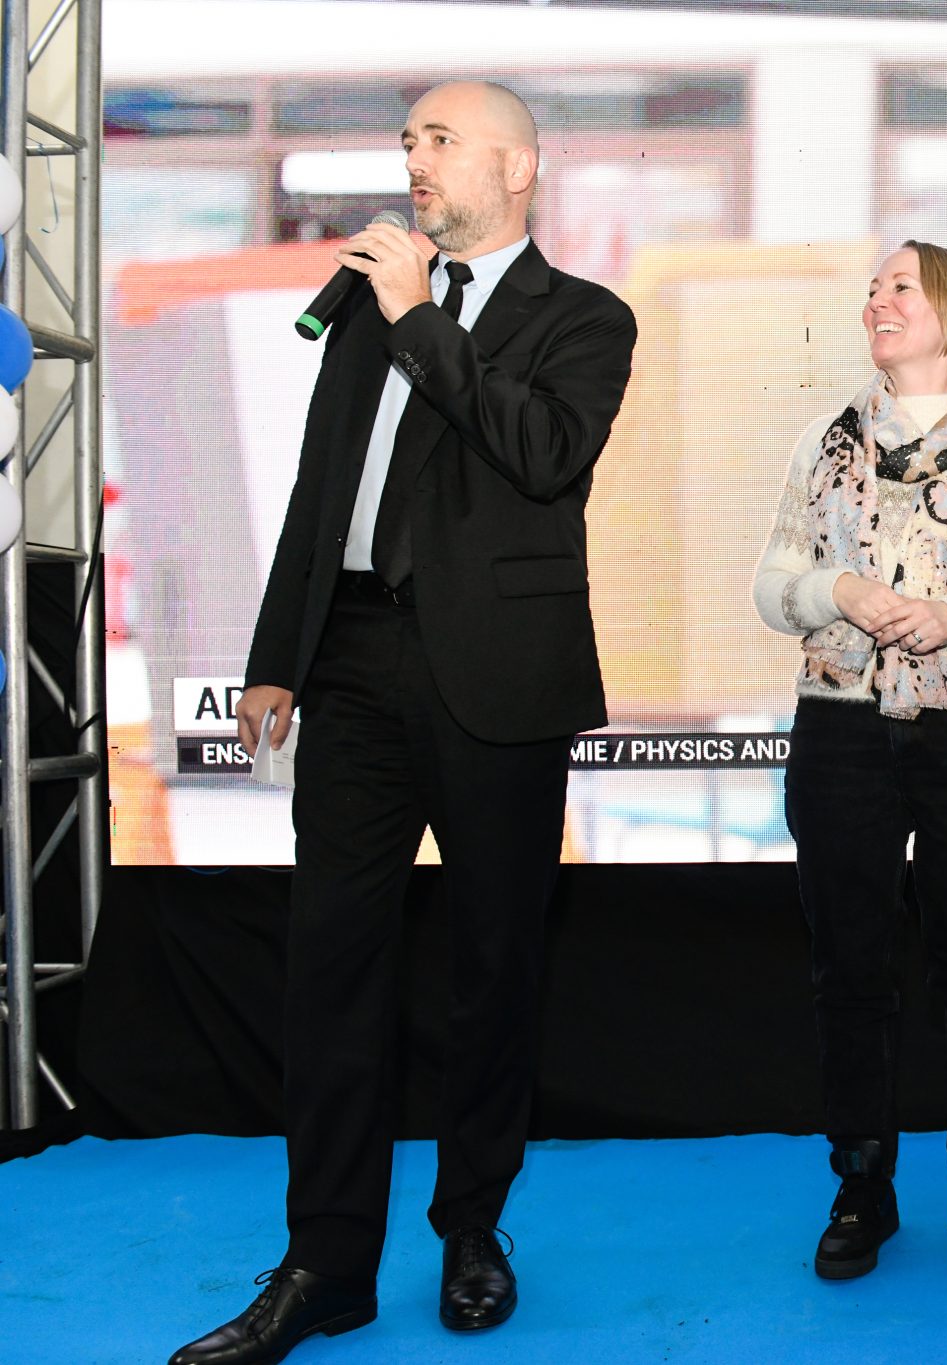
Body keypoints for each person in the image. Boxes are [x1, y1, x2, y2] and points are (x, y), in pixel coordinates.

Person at [173, 82, 637, 1365]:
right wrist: (277, 657)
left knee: (493, 969)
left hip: (502, 678)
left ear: (518, 167)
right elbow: (323, 490)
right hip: (355, 664)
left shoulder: (582, 316)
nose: (413, 161)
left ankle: (471, 1226)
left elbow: (541, 452)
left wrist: (421, 318)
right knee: (331, 968)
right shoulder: (371, 313)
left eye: (439, 141)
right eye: (407, 142)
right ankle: (325, 1262)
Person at [752, 241, 947, 1282]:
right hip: (839, 730)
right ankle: (861, 1189)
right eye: (872, 288)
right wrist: (835, 594)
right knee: (849, 968)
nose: (877, 301)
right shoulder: (823, 441)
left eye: (900, 285)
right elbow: (772, 583)